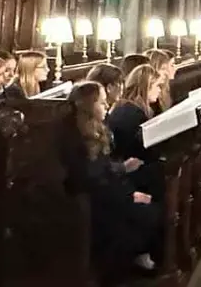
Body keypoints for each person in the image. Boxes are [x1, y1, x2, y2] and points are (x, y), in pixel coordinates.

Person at [64, 79, 158, 273]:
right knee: (150, 212)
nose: (107, 105)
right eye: (101, 101)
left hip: (106, 192)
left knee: (152, 199)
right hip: (95, 203)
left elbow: (105, 171)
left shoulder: (97, 127)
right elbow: (94, 180)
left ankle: (139, 258)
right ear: (88, 106)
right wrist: (130, 196)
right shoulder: (78, 138)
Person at [110, 64, 167, 193]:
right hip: (127, 175)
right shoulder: (132, 113)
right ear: (146, 87)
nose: (160, 90)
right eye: (157, 86)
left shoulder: (129, 107)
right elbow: (143, 151)